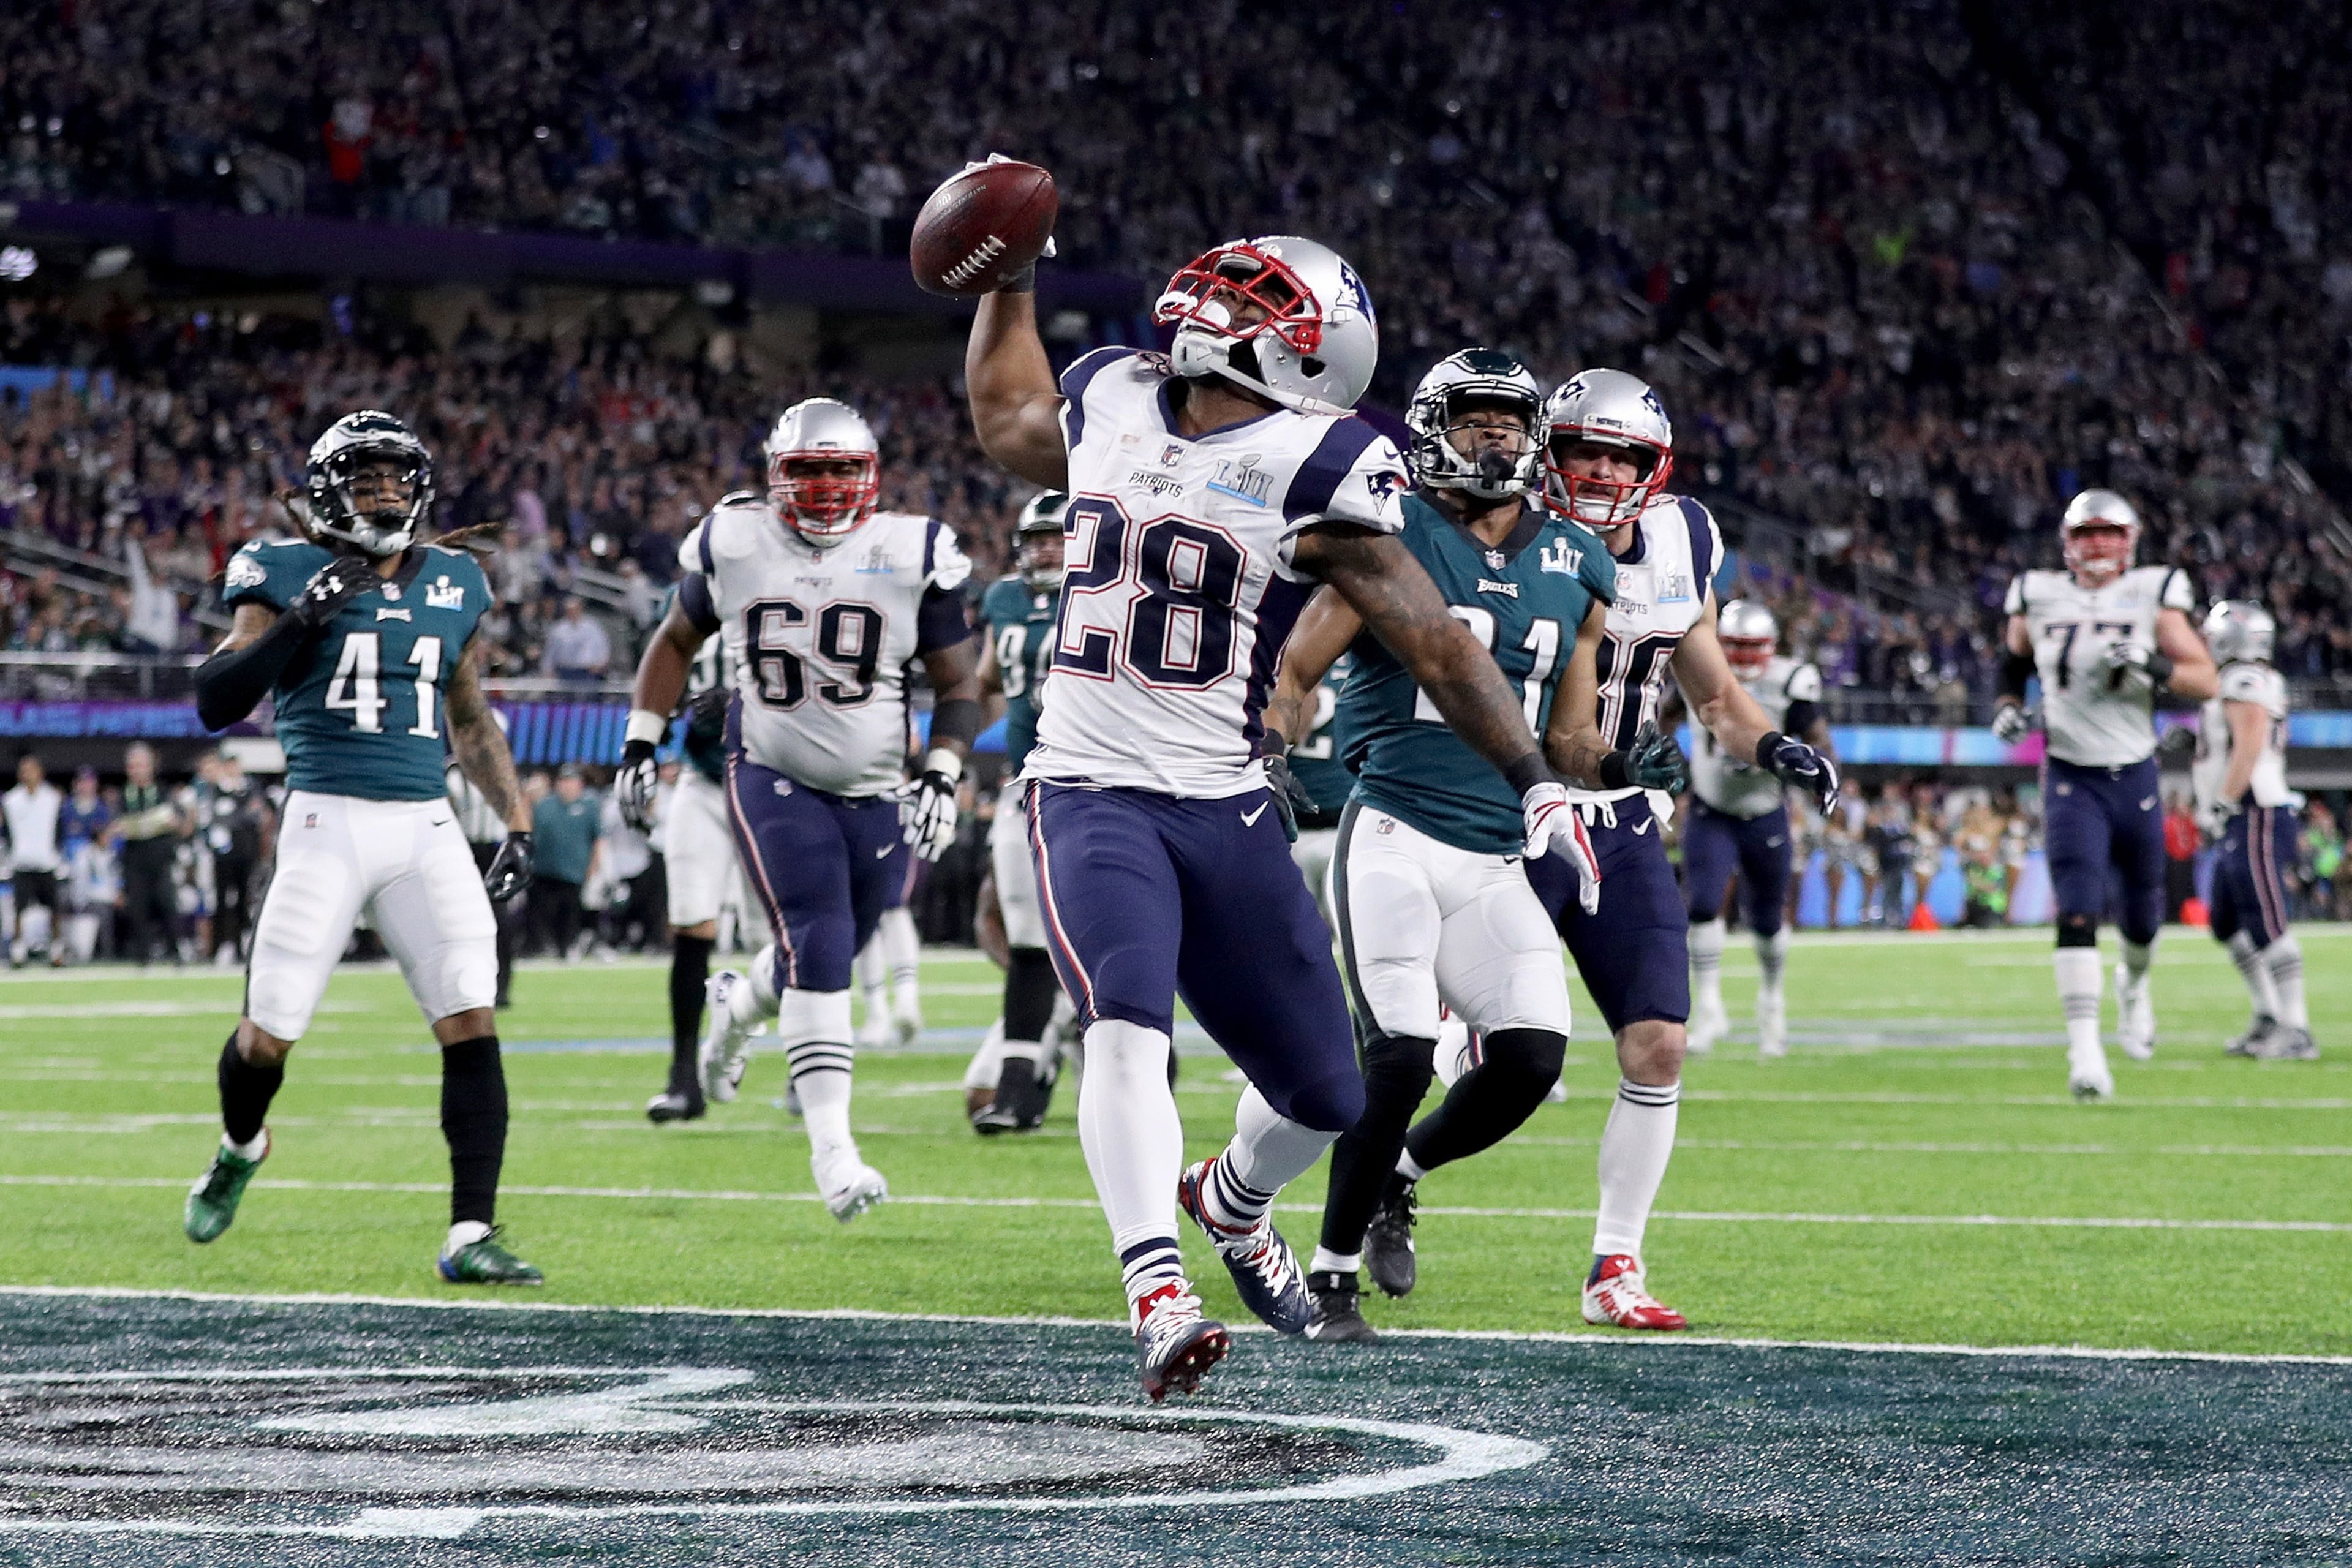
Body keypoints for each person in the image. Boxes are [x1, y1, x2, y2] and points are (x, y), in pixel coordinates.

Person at [960, 214, 1627, 1400]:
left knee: (1328, 1092)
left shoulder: (1322, 457)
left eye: (1254, 295)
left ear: (1313, 348)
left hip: (1223, 803)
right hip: (1091, 789)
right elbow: (1007, 412)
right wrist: (1005, 278)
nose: (1217, 302)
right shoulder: (1114, 389)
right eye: (1228, 283)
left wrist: (1535, 781)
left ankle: (1230, 1203)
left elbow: (1433, 638)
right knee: (1125, 1022)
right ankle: (1157, 1294)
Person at [1381, 369, 1839, 1335]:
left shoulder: (1684, 538)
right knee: (1460, 1049)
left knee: (1659, 1043)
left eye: (1621, 457)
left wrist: (1776, 748)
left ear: (1653, 469)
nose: (1599, 471)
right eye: (1583, 450)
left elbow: (1714, 695)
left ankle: (1614, 1264)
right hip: (1509, 808)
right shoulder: (1501, 527)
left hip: (1621, 817)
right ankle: (1377, 1172)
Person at [1262, 348, 1636, 1345]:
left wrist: (1625, 763)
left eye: (1509, 422)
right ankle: (1330, 1280)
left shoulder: (1580, 562)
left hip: (1496, 851)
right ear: (1433, 429)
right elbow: (1296, 672)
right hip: (1393, 825)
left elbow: (1569, 738)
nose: (1495, 437)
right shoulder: (1392, 532)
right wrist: (1271, 749)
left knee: (1531, 1056)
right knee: (1398, 1056)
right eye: (1474, 420)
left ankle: (1399, 1174)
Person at [183, 409, 540, 1284]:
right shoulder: (282, 568)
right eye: (364, 477)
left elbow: (470, 717)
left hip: (425, 825)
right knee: (267, 1035)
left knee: (471, 1012)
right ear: (327, 491)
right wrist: (301, 618)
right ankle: (240, 1147)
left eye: (395, 477)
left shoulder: (455, 580)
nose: (383, 492)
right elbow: (215, 698)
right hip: (325, 823)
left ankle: (470, 1233)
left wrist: (517, 819)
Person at [612, 396, 986, 1221]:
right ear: (776, 475)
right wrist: (642, 740)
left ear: (871, 475)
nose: (824, 487)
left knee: (827, 948)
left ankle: (737, 1008)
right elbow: (674, 639)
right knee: (818, 939)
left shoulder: (912, 548)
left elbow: (958, 680)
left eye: (841, 469)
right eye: (808, 470)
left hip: (878, 784)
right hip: (771, 769)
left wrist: (942, 771)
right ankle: (834, 1154)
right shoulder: (735, 540)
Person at [1992, 490, 2218, 1099]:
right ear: (2068, 541)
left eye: (2108, 532)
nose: (2097, 544)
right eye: (2086, 533)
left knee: (2143, 914)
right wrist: (2007, 708)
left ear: (2130, 539)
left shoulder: (2153, 592)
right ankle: (2085, 1050)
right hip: (2070, 772)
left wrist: (2152, 664)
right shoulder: (2037, 593)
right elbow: (2011, 666)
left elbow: (2205, 679)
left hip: (2134, 770)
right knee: (2077, 904)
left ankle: (2134, 986)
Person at [961, 491, 1078, 1133]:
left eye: (1058, 538)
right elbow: (986, 683)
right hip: (1023, 781)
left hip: (1095, 783)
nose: (1047, 550)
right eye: (1037, 539)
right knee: (1025, 934)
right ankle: (1018, 1088)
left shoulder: (1107, 587)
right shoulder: (1005, 599)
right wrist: (948, 753)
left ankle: (1139, 1067)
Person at [1684, 600, 1833, 1057]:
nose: (1744, 657)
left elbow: (1818, 738)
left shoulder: (1789, 680)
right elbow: (1662, 716)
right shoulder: (1695, 668)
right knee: (1702, 905)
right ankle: (1709, 1008)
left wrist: (1819, 774)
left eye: (1753, 646)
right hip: (1711, 808)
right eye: (1735, 645)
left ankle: (1772, 1001)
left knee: (1767, 919)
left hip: (1765, 810)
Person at [633, 626, 763, 1125]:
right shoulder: (689, 602)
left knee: (772, 941)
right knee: (690, 923)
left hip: (772, 784)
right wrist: (653, 730)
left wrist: (740, 706)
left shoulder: (789, 596)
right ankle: (683, 1077)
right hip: (702, 781)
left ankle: (746, 1032)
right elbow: (661, 666)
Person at [2193, 601, 2312, 1060]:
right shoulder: (2238, 679)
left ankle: (2296, 1028)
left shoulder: (2244, 678)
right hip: (2241, 813)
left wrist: (2223, 802)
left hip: (2254, 809)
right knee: (2226, 922)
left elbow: (2249, 744)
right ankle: (2268, 1015)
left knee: (2266, 920)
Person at [113, 743, 182, 963]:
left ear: (151, 767)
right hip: (135, 860)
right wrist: (150, 823)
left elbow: (175, 820)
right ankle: (143, 956)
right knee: (138, 909)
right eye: (133, 766)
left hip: (161, 859)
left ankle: (175, 952)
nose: (137, 770)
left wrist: (160, 823)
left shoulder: (163, 791)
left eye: (141, 765)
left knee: (167, 904)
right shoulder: (124, 795)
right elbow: (119, 826)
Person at [528, 766, 600, 958]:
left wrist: (594, 865)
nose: (567, 785)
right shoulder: (544, 805)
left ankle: (566, 948)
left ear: (580, 784)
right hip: (544, 869)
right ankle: (541, 947)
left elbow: (598, 839)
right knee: (542, 913)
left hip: (575, 870)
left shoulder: (589, 806)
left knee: (570, 913)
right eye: (563, 781)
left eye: (571, 781)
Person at [3, 753, 64, 967]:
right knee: (19, 911)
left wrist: (55, 853)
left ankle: (57, 952)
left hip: (47, 862)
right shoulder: (11, 800)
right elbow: (7, 832)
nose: (28, 774)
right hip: (21, 863)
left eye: (32, 770)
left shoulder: (53, 798)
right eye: (24, 771)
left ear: (41, 773)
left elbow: (59, 829)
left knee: (54, 910)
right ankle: (18, 952)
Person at [542, 597, 612, 683]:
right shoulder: (559, 629)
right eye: (570, 610)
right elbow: (551, 651)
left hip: (588, 671)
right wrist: (547, 670)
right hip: (565, 671)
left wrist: (601, 664)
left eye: (575, 609)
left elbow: (604, 647)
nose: (573, 613)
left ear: (580, 609)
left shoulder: (592, 626)